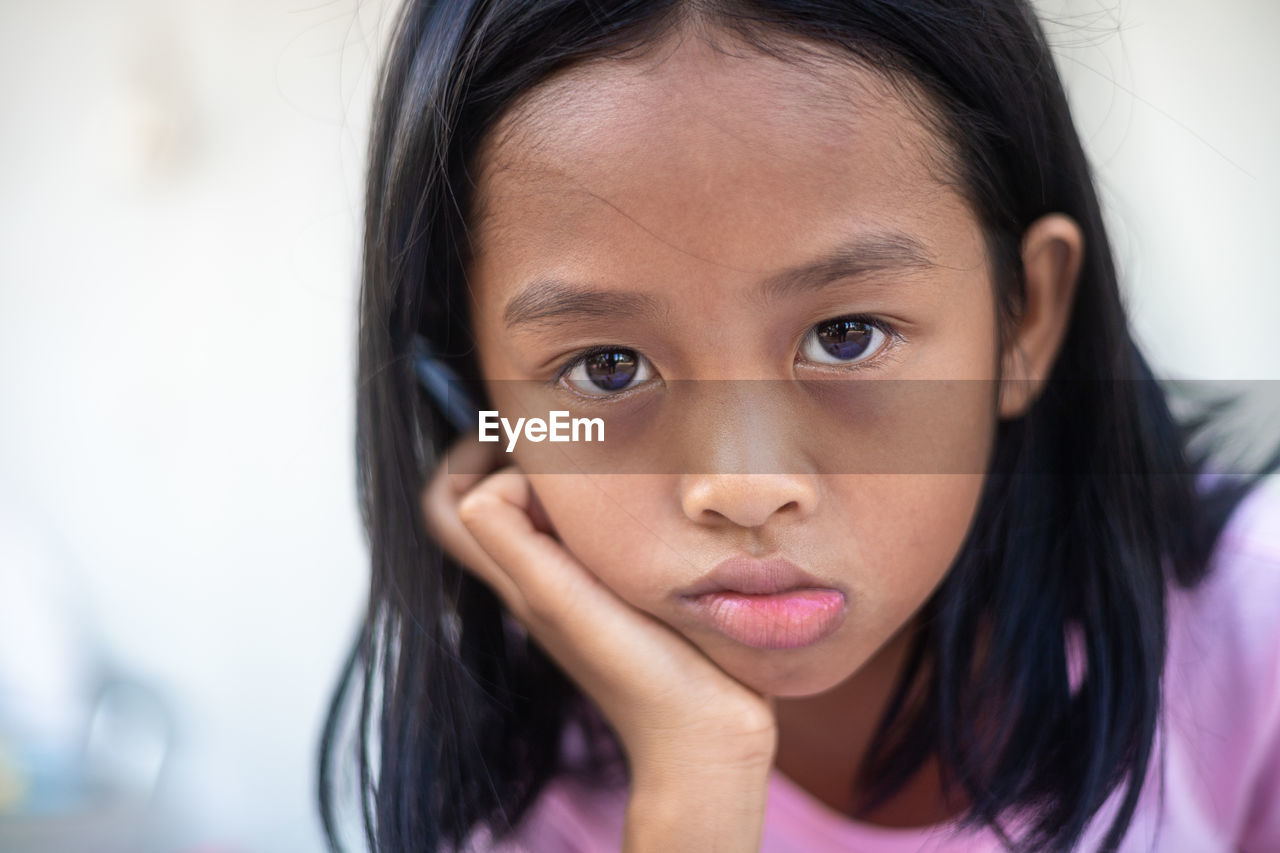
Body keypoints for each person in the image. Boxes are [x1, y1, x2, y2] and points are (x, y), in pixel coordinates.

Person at [317, 1, 1280, 851]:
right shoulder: (512, 798)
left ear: (1023, 319)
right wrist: (693, 789)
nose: (743, 483)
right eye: (607, 369)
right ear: (480, 400)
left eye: (848, 336)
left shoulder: (1253, 650)